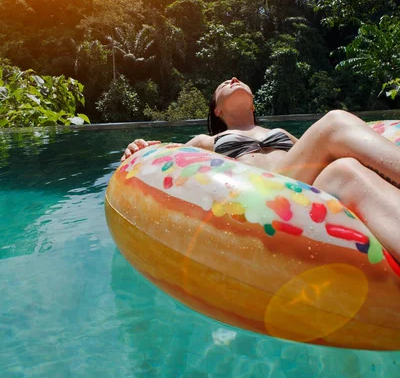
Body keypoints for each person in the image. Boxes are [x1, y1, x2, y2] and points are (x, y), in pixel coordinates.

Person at [121, 77, 400, 260]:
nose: (233, 79)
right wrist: (139, 149)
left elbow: (321, 151)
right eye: (224, 85)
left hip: (310, 189)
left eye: (238, 80)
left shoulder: (280, 133)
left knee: (346, 170)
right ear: (217, 110)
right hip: (265, 191)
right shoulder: (208, 141)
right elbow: (170, 160)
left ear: (253, 103)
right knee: (335, 121)